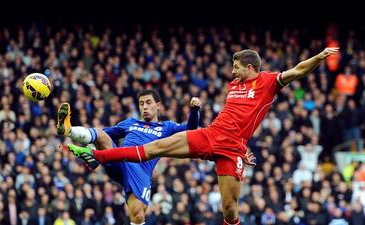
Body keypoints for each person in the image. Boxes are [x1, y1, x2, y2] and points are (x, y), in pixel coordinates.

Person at [68, 47, 339, 225]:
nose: (232, 72)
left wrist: (319, 56)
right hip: (211, 134)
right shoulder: (234, 85)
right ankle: (96, 156)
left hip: (232, 149)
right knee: (155, 147)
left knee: (229, 210)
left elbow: (299, 70)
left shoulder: (268, 82)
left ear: (249, 66)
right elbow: (234, 116)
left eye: (236, 67)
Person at [57, 89, 202, 225]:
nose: (144, 107)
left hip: (140, 170)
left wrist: (195, 110)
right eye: (141, 103)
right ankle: (68, 130)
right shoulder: (130, 123)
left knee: (138, 215)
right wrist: (89, 140)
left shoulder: (167, 127)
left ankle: (95, 157)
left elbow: (191, 129)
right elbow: (103, 134)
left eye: (148, 103)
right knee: (100, 134)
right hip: (119, 159)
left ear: (158, 106)